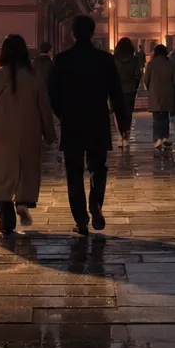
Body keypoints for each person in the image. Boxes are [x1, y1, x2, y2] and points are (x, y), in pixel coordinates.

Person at [48, 15, 130, 236]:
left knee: (74, 171)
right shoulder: (104, 59)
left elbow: (53, 94)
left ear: (73, 32)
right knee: (98, 167)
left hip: (72, 121)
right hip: (97, 120)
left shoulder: (62, 60)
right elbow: (116, 93)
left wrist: (62, 113)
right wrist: (123, 121)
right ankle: (96, 203)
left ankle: (81, 220)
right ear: (93, 32)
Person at [0, 34, 55, 236]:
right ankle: (23, 202)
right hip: (29, 131)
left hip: (0, 133)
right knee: (26, 170)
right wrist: (49, 134)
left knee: (0, 175)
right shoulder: (33, 77)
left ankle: (6, 220)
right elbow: (45, 108)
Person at [144, 43, 175, 150]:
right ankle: (165, 136)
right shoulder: (170, 63)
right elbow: (174, 79)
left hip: (155, 92)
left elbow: (146, 79)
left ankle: (158, 138)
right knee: (165, 116)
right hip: (167, 92)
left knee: (156, 116)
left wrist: (150, 89)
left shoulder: (151, 64)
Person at [113, 38, 142, 136]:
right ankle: (127, 133)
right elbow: (138, 74)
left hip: (117, 89)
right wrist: (135, 85)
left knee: (118, 112)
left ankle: (120, 134)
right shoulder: (134, 60)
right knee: (128, 112)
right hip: (130, 89)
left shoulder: (114, 60)